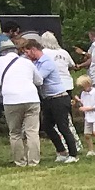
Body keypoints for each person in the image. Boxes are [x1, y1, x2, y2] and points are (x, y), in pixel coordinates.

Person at [0, 37, 45, 166]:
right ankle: (34, 161)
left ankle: (20, 161)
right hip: (31, 98)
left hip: (11, 100)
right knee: (32, 131)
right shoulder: (27, 62)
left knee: (15, 132)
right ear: (16, 50)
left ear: (2, 52)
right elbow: (39, 81)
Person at [37, 33, 79, 163]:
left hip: (56, 90)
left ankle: (72, 152)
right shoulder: (63, 52)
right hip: (67, 85)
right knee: (62, 122)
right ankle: (66, 149)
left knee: (62, 125)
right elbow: (73, 66)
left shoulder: (44, 54)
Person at [75, 67, 95, 156]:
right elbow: (83, 102)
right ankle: (91, 150)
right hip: (88, 117)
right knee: (87, 134)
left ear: (88, 84)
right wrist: (79, 101)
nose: (82, 89)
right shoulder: (83, 93)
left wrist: (86, 109)